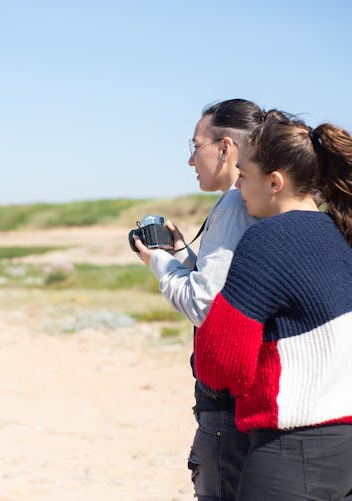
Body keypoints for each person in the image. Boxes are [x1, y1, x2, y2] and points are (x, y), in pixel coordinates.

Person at [193, 110, 352, 500]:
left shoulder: (268, 239)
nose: (238, 185)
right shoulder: (340, 233)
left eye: (245, 174)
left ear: (275, 182)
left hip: (297, 450)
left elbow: (219, 364)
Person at [132, 99, 261, 500]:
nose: (190, 160)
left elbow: (206, 306)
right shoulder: (257, 200)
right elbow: (231, 285)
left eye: (194, 145)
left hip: (227, 400)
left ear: (225, 148)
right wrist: (184, 255)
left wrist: (159, 263)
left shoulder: (235, 205)